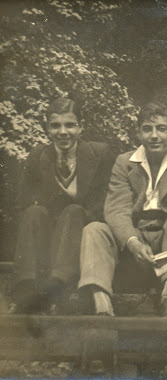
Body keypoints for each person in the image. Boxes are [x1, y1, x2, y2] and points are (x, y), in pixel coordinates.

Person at [78, 102, 167, 317]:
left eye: (161, 129)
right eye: (147, 129)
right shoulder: (125, 162)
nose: (154, 136)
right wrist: (132, 241)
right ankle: (102, 306)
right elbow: (117, 208)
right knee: (94, 229)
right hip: (136, 240)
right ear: (138, 133)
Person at [11, 98, 115, 314]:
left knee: (73, 211)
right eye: (55, 125)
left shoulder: (99, 154)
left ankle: (56, 289)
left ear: (81, 126)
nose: (63, 132)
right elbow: (23, 204)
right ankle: (26, 289)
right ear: (48, 128)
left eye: (70, 125)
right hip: (49, 233)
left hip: (82, 231)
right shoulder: (38, 156)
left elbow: (104, 203)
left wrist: (73, 219)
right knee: (33, 211)